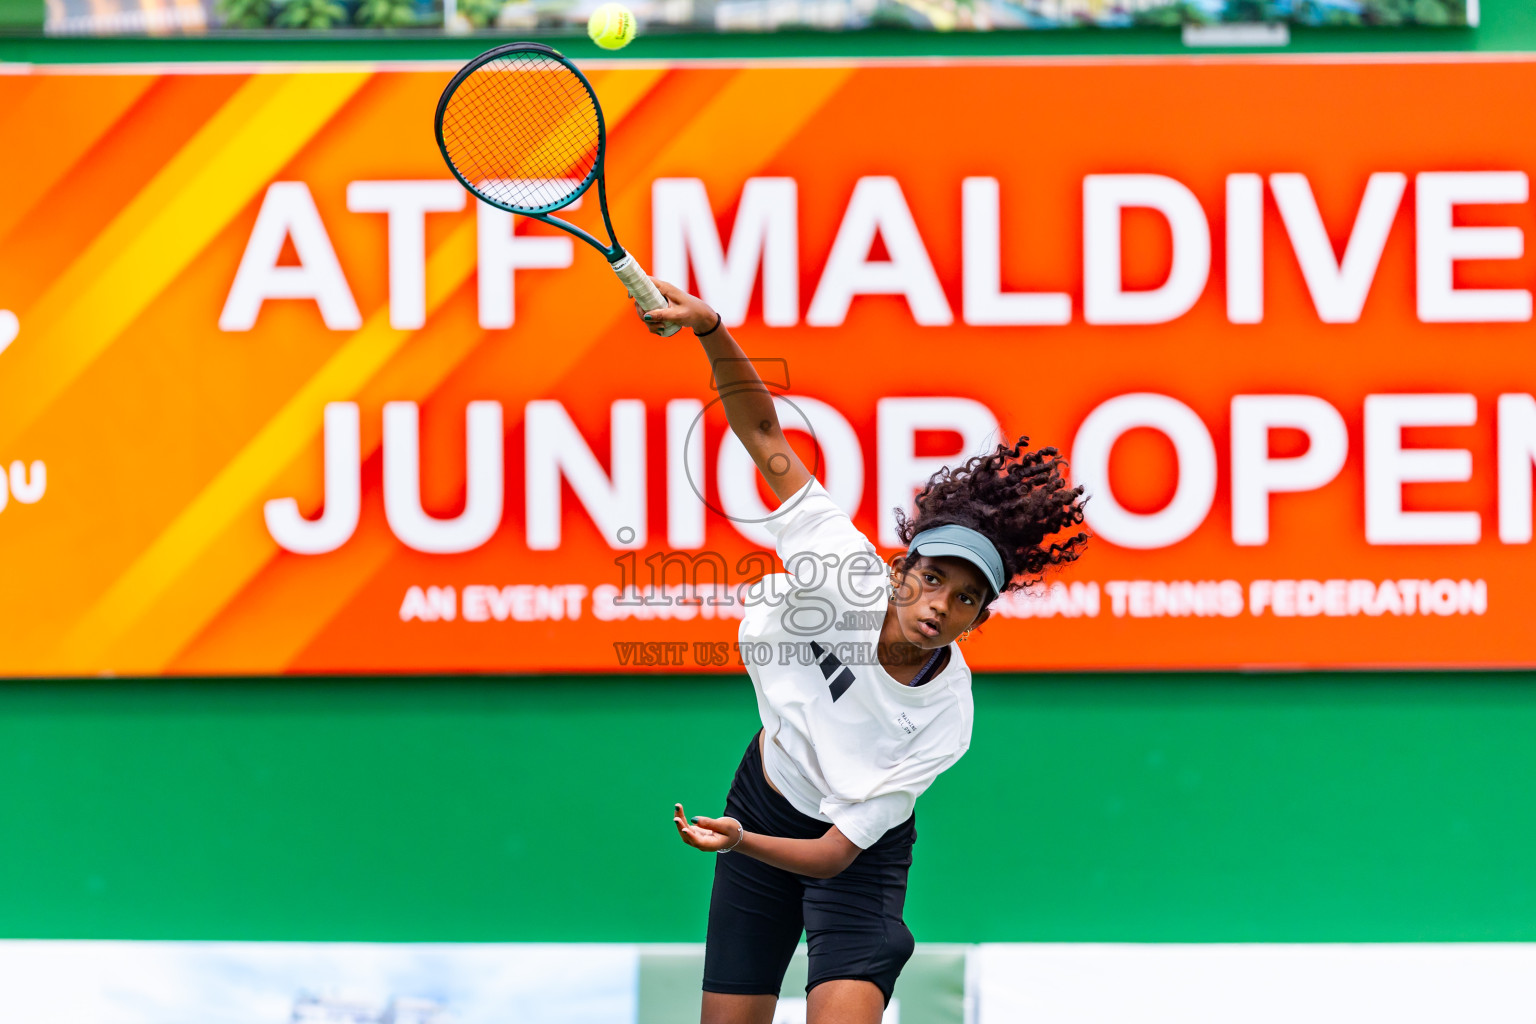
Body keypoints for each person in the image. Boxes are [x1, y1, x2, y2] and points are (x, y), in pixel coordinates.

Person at [637, 279, 1089, 1024]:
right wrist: (712, 327)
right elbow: (764, 436)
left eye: (966, 598)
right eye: (932, 578)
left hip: (852, 855)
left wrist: (739, 841)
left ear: (979, 619)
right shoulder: (841, 569)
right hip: (767, 792)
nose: (940, 604)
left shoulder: (946, 716)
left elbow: (832, 857)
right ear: (899, 569)